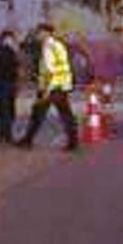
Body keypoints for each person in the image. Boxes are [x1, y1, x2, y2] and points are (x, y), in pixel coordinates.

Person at [16, 22, 78, 152]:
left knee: (38, 113)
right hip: (62, 84)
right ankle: (73, 141)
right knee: (65, 113)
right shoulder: (58, 45)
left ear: (46, 33)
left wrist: (45, 90)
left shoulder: (47, 47)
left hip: (51, 86)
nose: (37, 35)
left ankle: (28, 139)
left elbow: (49, 70)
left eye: (39, 32)